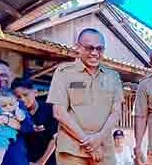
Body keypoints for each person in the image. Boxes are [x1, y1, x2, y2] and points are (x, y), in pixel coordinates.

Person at [48, 28, 123, 165]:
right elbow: (59, 112)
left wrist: (98, 139)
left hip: (104, 148)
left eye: (99, 49)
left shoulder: (113, 76)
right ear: (78, 48)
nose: (94, 53)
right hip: (72, 149)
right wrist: (89, 143)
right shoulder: (64, 72)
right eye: (89, 48)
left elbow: (116, 112)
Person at [0, 60, 33, 165]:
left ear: (11, 77)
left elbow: (28, 127)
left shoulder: (17, 103)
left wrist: (6, 120)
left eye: (4, 75)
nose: (1, 79)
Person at [13, 78, 58, 165]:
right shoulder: (16, 114)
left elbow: (55, 138)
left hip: (50, 160)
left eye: (25, 95)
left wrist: (41, 162)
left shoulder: (50, 109)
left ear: (35, 92)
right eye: (18, 97)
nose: (22, 99)